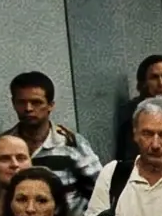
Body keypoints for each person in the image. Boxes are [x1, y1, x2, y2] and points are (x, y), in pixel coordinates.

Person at [7, 72, 103, 205]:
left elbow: (101, 189)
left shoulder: (71, 143)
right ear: (13, 103)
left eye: (36, 102)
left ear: (50, 105)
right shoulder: (4, 146)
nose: (28, 108)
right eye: (21, 102)